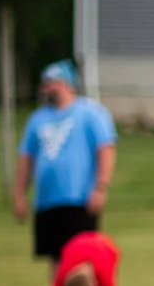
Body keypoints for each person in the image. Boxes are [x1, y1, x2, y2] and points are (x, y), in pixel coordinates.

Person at [13, 60, 117, 264]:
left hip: (79, 199)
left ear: (67, 83)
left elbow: (106, 148)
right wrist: (19, 195)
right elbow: (27, 158)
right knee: (55, 258)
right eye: (45, 83)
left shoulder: (90, 113)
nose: (47, 87)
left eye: (52, 82)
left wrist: (101, 187)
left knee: (82, 256)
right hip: (47, 200)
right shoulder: (37, 119)